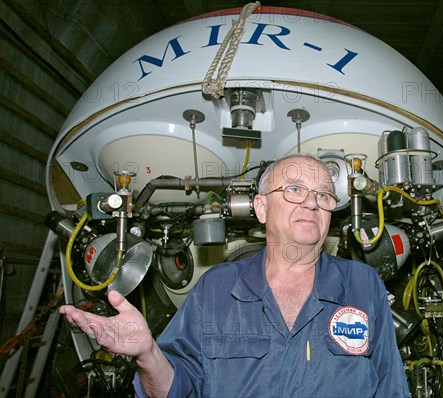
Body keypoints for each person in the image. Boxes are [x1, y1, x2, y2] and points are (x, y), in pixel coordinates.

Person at [60, 154, 411, 397]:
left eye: (323, 194)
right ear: (261, 208)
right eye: (293, 189)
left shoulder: (362, 284)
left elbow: (392, 388)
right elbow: (177, 389)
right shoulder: (218, 289)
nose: (311, 203)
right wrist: (148, 355)